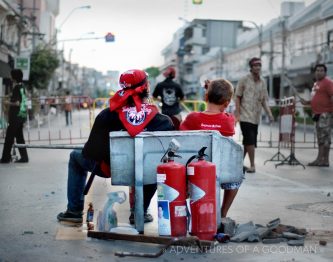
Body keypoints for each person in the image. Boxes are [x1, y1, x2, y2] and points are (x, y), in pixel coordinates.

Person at [57, 69, 174, 223]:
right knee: (152, 163)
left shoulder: (106, 115)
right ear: (146, 88)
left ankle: (74, 210)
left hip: (111, 169)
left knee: (75, 156)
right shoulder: (163, 121)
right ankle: (140, 211)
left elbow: (91, 152)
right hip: (145, 172)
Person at [180, 78, 241, 219]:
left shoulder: (192, 118)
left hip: (193, 171)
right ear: (227, 103)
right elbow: (227, 122)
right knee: (238, 174)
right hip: (220, 171)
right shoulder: (228, 120)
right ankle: (223, 213)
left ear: (205, 97)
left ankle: (186, 213)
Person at [234, 57, 274, 173]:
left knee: (248, 142)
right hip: (245, 116)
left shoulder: (262, 82)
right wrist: (237, 113)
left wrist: (269, 114)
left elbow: (264, 100)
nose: (257, 67)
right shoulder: (244, 80)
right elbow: (237, 96)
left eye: (259, 65)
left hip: (256, 117)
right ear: (251, 68)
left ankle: (237, 164)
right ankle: (252, 165)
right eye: (255, 65)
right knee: (250, 141)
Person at [300, 64, 333, 167]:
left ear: (325, 72)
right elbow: (317, 98)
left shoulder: (328, 83)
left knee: (326, 138)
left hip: (325, 114)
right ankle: (319, 159)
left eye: (321, 70)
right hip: (317, 114)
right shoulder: (316, 84)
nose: (319, 72)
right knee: (320, 138)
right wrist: (307, 102)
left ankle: (325, 160)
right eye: (317, 70)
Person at [0, 69, 29, 163]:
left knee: (9, 137)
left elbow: (17, 103)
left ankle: (5, 158)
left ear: (14, 77)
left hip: (15, 117)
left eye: (11, 75)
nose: (10, 77)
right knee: (19, 137)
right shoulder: (22, 87)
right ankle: (24, 157)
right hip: (20, 116)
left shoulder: (17, 88)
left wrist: (6, 102)